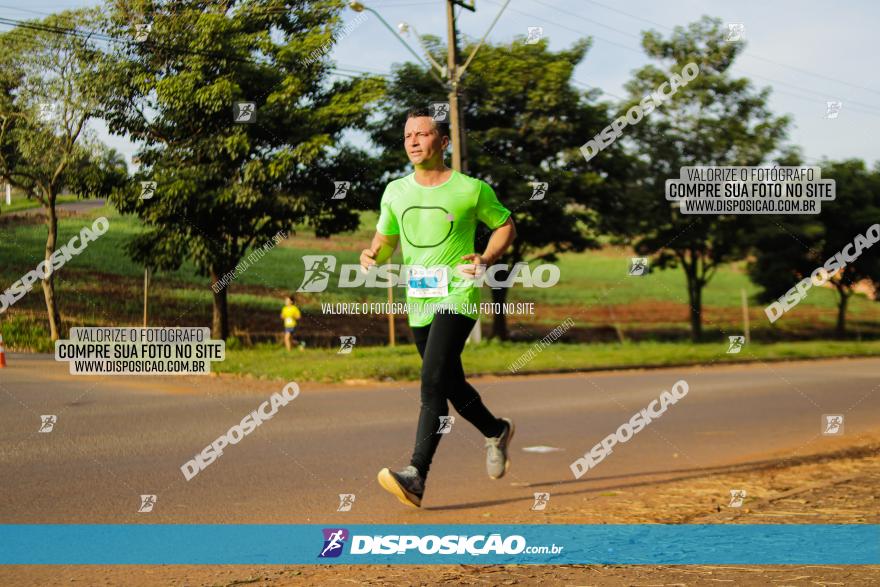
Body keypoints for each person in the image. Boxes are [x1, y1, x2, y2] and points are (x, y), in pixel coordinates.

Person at [360, 108, 518, 508]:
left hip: (458, 295)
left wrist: (485, 258)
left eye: (422, 134)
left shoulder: (471, 189)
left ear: (443, 142)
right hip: (419, 299)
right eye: (407, 135)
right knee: (450, 384)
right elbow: (385, 240)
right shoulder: (395, 191)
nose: (413, 141)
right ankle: (496, 429)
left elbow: (505, 226)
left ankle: (415, 475)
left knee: (431, 381)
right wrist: (372, 255)